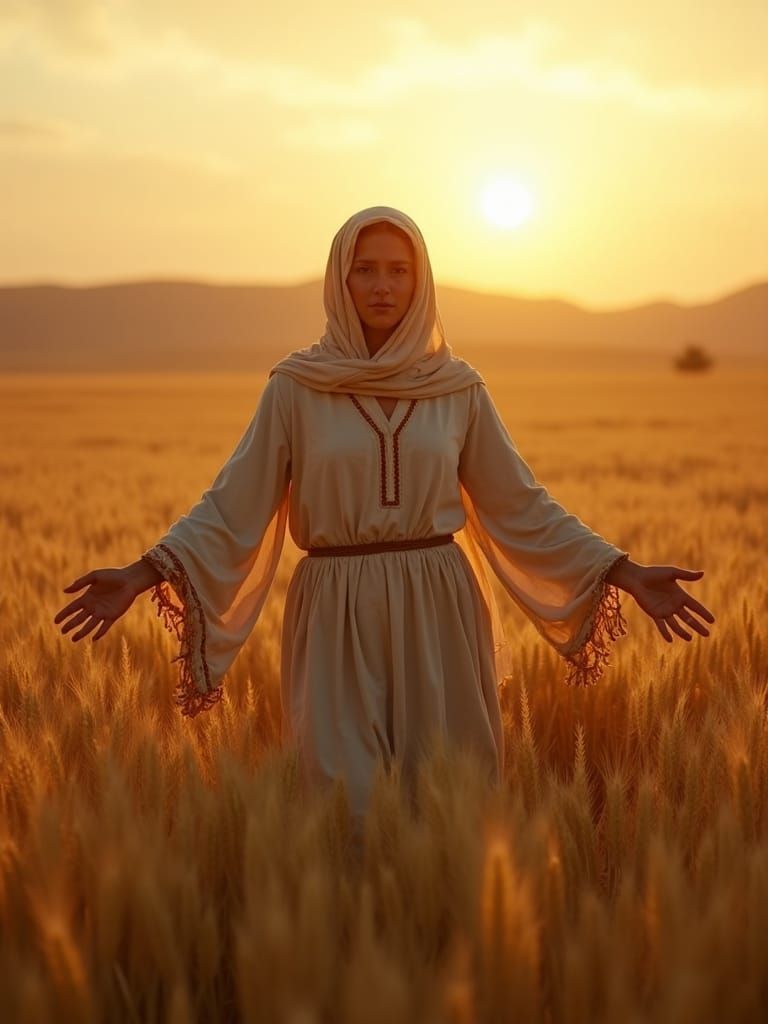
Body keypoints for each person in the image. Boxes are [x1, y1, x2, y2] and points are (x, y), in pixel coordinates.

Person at [53, 205, 715, 822]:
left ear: (421, 282)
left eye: (399, 271)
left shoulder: (458, 388)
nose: (382, 285)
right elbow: (234, 503)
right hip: (336, 607)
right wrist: (142, 575)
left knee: (452, 795)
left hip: (440, 607)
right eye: (364, 269)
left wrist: (624, 572)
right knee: (346, 803)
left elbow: (522, 504)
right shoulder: (296, 388)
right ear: (340, 279)